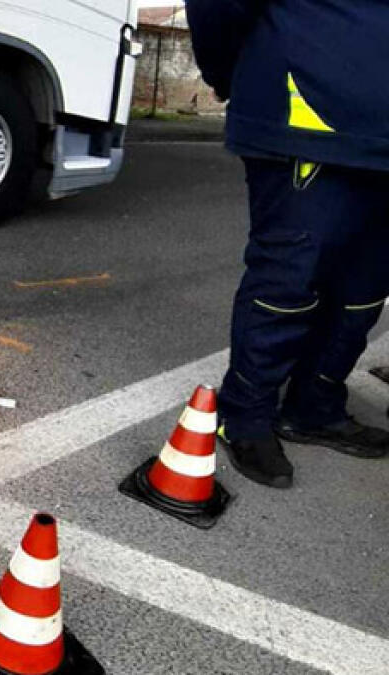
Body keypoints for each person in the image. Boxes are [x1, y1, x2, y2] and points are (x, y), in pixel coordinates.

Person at [185, 0, 389, 488]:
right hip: (310, 114)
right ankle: (247, 417)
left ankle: (313, 407)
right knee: (288, 281)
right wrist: (231, 75)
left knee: (365, 289)